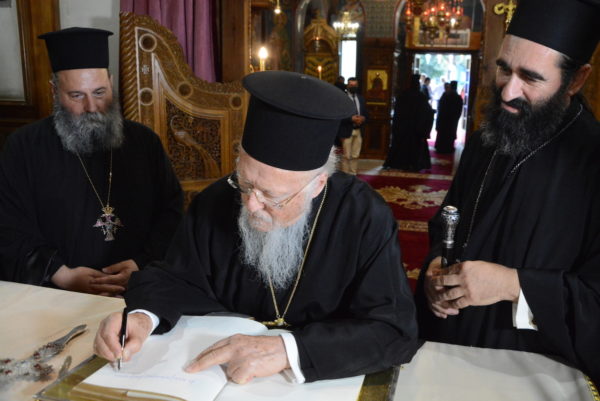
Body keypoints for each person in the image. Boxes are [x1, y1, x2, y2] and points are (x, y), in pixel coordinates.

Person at [93, 70, 418, 384]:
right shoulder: (216, 200)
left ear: (317, 185)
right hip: (218, 376)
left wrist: (289, 350)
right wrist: (143, 317)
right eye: (246, 184)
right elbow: (174, 276)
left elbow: (393, 331)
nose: (250, 205)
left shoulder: (364, 216)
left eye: (271, 196)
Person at [415, 0, 600, 386]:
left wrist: (511, 285)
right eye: (504, 69)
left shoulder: (592, 163)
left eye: (530, 78)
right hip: (450, 345)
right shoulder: (487, 138)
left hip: (534, 369)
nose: (508, 91)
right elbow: (448, 221)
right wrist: (434, 271)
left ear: (576, 80)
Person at [0, 27, 183, 296]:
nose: (91, 107)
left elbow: (172, 213)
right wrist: (61, 274)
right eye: (77, 95)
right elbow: (8, 227)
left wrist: (140, 264)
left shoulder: (144, 142)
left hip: (140, 289)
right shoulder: (24, 147)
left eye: (99, 92)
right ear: (54, 91)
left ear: (111, 82)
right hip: (57, 294)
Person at [383, 74, 433, 171]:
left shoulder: (402, 95)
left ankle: (400, 163)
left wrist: (396, 127)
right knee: (416, 147)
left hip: (403, 128)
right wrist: (424, 128)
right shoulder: (421, 97)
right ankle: (414, 164)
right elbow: (427, 113)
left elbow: (397, 113)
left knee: (401, 146)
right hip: (417, 129)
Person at [340, 77, 368, 175]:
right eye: (351, 85)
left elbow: (366, 113)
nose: (353, 87)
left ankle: (353, 175)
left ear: (358, 86)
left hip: (359, 130)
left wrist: (363, 118)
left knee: (355, 155)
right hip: (347, 129)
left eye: (355, 85)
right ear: (347, 86)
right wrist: (351, 119)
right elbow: (338, 115)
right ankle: (345, 176)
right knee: (346, 156)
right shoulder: (342, 98)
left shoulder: (361, 98)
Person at [435, 80, 463, 153]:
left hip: (443, 119)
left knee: (442, 134)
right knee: (450, 134)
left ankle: (440, 147)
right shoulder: (458, 97)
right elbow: (459, 110)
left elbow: (440, 107)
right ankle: (448, 148)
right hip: (452, 120)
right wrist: (456, 118)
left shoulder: (445, 95)